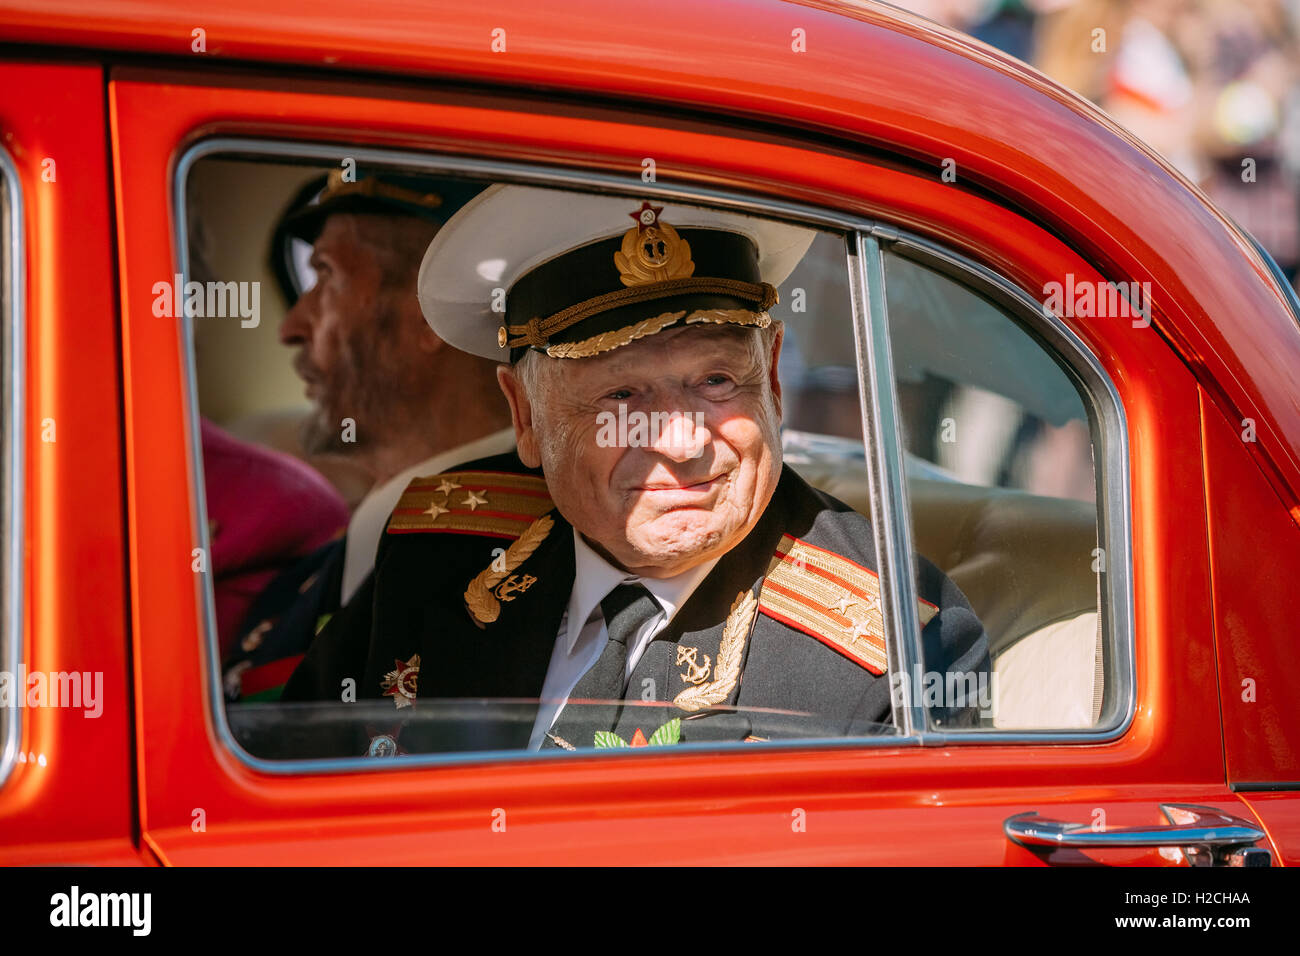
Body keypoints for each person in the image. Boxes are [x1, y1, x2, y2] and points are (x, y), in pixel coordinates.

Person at [281, 185, 989, 753]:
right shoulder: (437, 548)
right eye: (622, 394)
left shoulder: (894, 642)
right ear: (524, 417)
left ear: (772, 380)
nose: (682, 443)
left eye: (716, 381)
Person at [222, 170, 515, 700]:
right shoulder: (327, 561)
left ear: (431, 311)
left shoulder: (513, 570)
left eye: (327, 276)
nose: (291, 327)